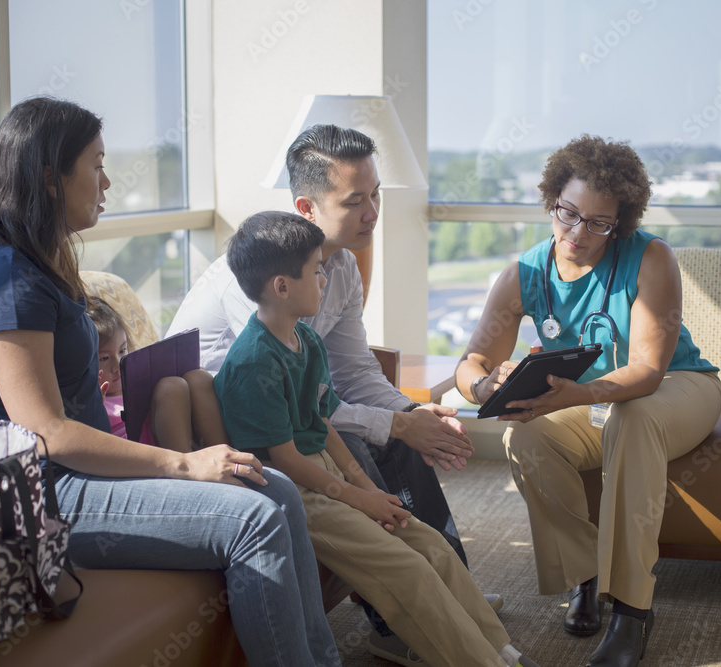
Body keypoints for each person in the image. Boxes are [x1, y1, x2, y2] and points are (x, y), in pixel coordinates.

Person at [0, 96, 340, 666]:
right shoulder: (8, 275)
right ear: (52, 178)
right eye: (96, 165)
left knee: (276, 490)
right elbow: (44, 431)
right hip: (40, 497)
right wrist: (184, 463)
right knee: (254, 517)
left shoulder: (24, 261)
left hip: (77, 476)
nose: (107, 182)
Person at [167, 124, 501, 657]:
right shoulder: (256, 284)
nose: (372, 213)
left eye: (376, 196)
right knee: (378, 441)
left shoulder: (339, 268)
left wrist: (410, 413)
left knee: (404, 436)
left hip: (298, 412)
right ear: (307, 206)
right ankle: (399, 617)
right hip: (232, 424)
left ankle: (444, 590)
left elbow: (353, 371)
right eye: (356, 201)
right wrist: (393, 424)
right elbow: (294, 400)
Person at [214, 210, 538, 667]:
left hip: (324, 474)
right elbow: (285, 459)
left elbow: (322, 421)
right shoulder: (253, 363)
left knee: (428, 544)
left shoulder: (305, 339)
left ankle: (500, 649)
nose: (324, 278)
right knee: (407, 571)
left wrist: (367, 489)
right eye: (315, 270)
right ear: (281, 287)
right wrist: (354, 497)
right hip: (292, 492)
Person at [454, 135, 721, 667]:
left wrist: (578, 394)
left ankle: (631, 612)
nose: (578, 232)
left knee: (636, 415)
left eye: (598, 223)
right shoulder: (525, 273)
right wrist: (487, 389)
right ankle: (583, 575)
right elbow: (471, 362)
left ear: (619, 224)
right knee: (524, 432)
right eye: (568, 213)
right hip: (589, 402)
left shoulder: (651, 258)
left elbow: (647, 372)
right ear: (552, 199)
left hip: (677, 388)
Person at [87, 296, 228, 452]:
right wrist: (95, 411)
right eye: (104, 358)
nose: (117, 365)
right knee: (171, 387)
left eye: (122, 350)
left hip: (171, 430)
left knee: (198, 377)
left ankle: (228, 455)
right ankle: (187, 469)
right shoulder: (96, 399)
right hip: (142, 452)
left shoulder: (137, 378)